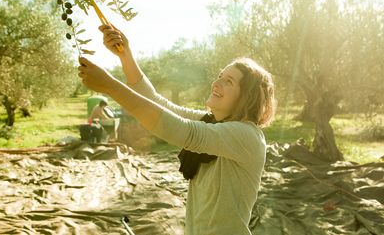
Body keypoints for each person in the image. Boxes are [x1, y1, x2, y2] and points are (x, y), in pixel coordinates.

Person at [77, 23, 277, 235]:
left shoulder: (246, 135)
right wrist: (125, 55)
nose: (216, 83)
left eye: (228, 81)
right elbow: (155, 101)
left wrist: (111, 86)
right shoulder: (212, 122)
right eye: (220, 76)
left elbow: (184, 131)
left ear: (247, 97)